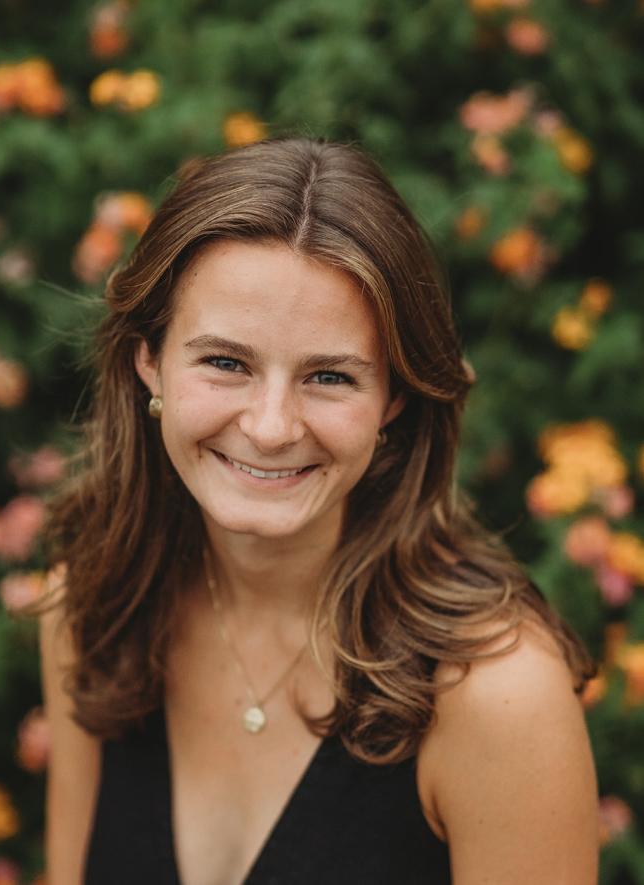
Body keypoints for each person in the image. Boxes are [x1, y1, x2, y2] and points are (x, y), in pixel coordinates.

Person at [34, 137, 600, 884]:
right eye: (226, 362)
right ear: (150, 361)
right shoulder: (90, 609)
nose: (271, 426)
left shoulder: (498, 695)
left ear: (393, 399)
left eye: (329, 376)